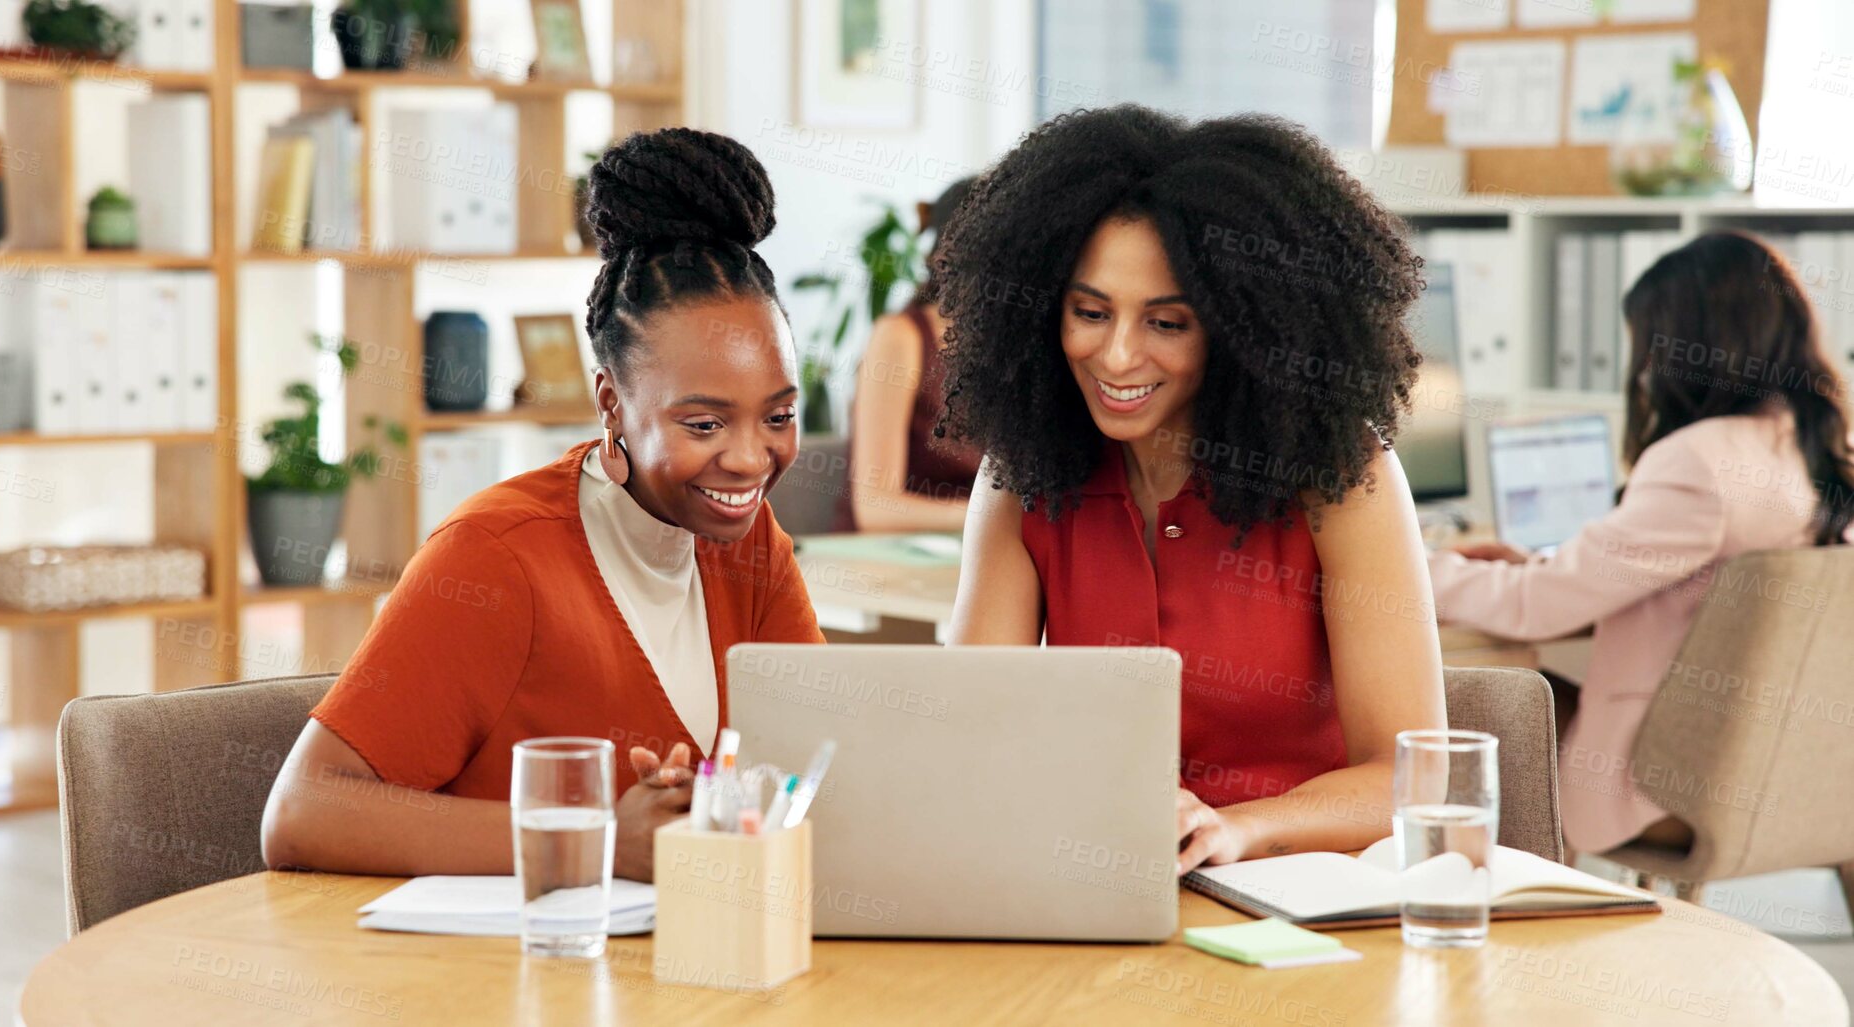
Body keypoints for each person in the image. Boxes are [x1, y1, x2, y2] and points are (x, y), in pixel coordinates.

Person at [261, 128, 825, 882]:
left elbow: (818, 762)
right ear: (611, 403)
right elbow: (302, 812)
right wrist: (592, 839)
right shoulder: (496, 556)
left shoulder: (748, 545)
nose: (751, 458)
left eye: (778, 417)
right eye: (703, 424)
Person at [939, 107, 1448, 874]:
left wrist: (1236, 829)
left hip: (1304, 895)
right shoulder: (1023, 475)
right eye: (1089, 312)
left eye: (1167, 323)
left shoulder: (1343, 479)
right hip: (1094, 875)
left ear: (1246, 328)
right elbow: (975, 736)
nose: (1115, 355)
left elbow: (1410, 778)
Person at [1431, 231, 1854, 856]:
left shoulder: (1699, 462)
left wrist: (1413, 569)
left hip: (1673, 792)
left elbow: (1536, 608)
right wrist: (1547, 567)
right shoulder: (1820, 451)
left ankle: (1502, 919)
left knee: (1479, 696)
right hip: (1806, 786)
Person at [841, 178, 984, 532]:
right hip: (895, 561)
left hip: (977, 555)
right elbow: (875, 509)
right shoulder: (901, 338)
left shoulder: (1020, 348)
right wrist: (994, 520)